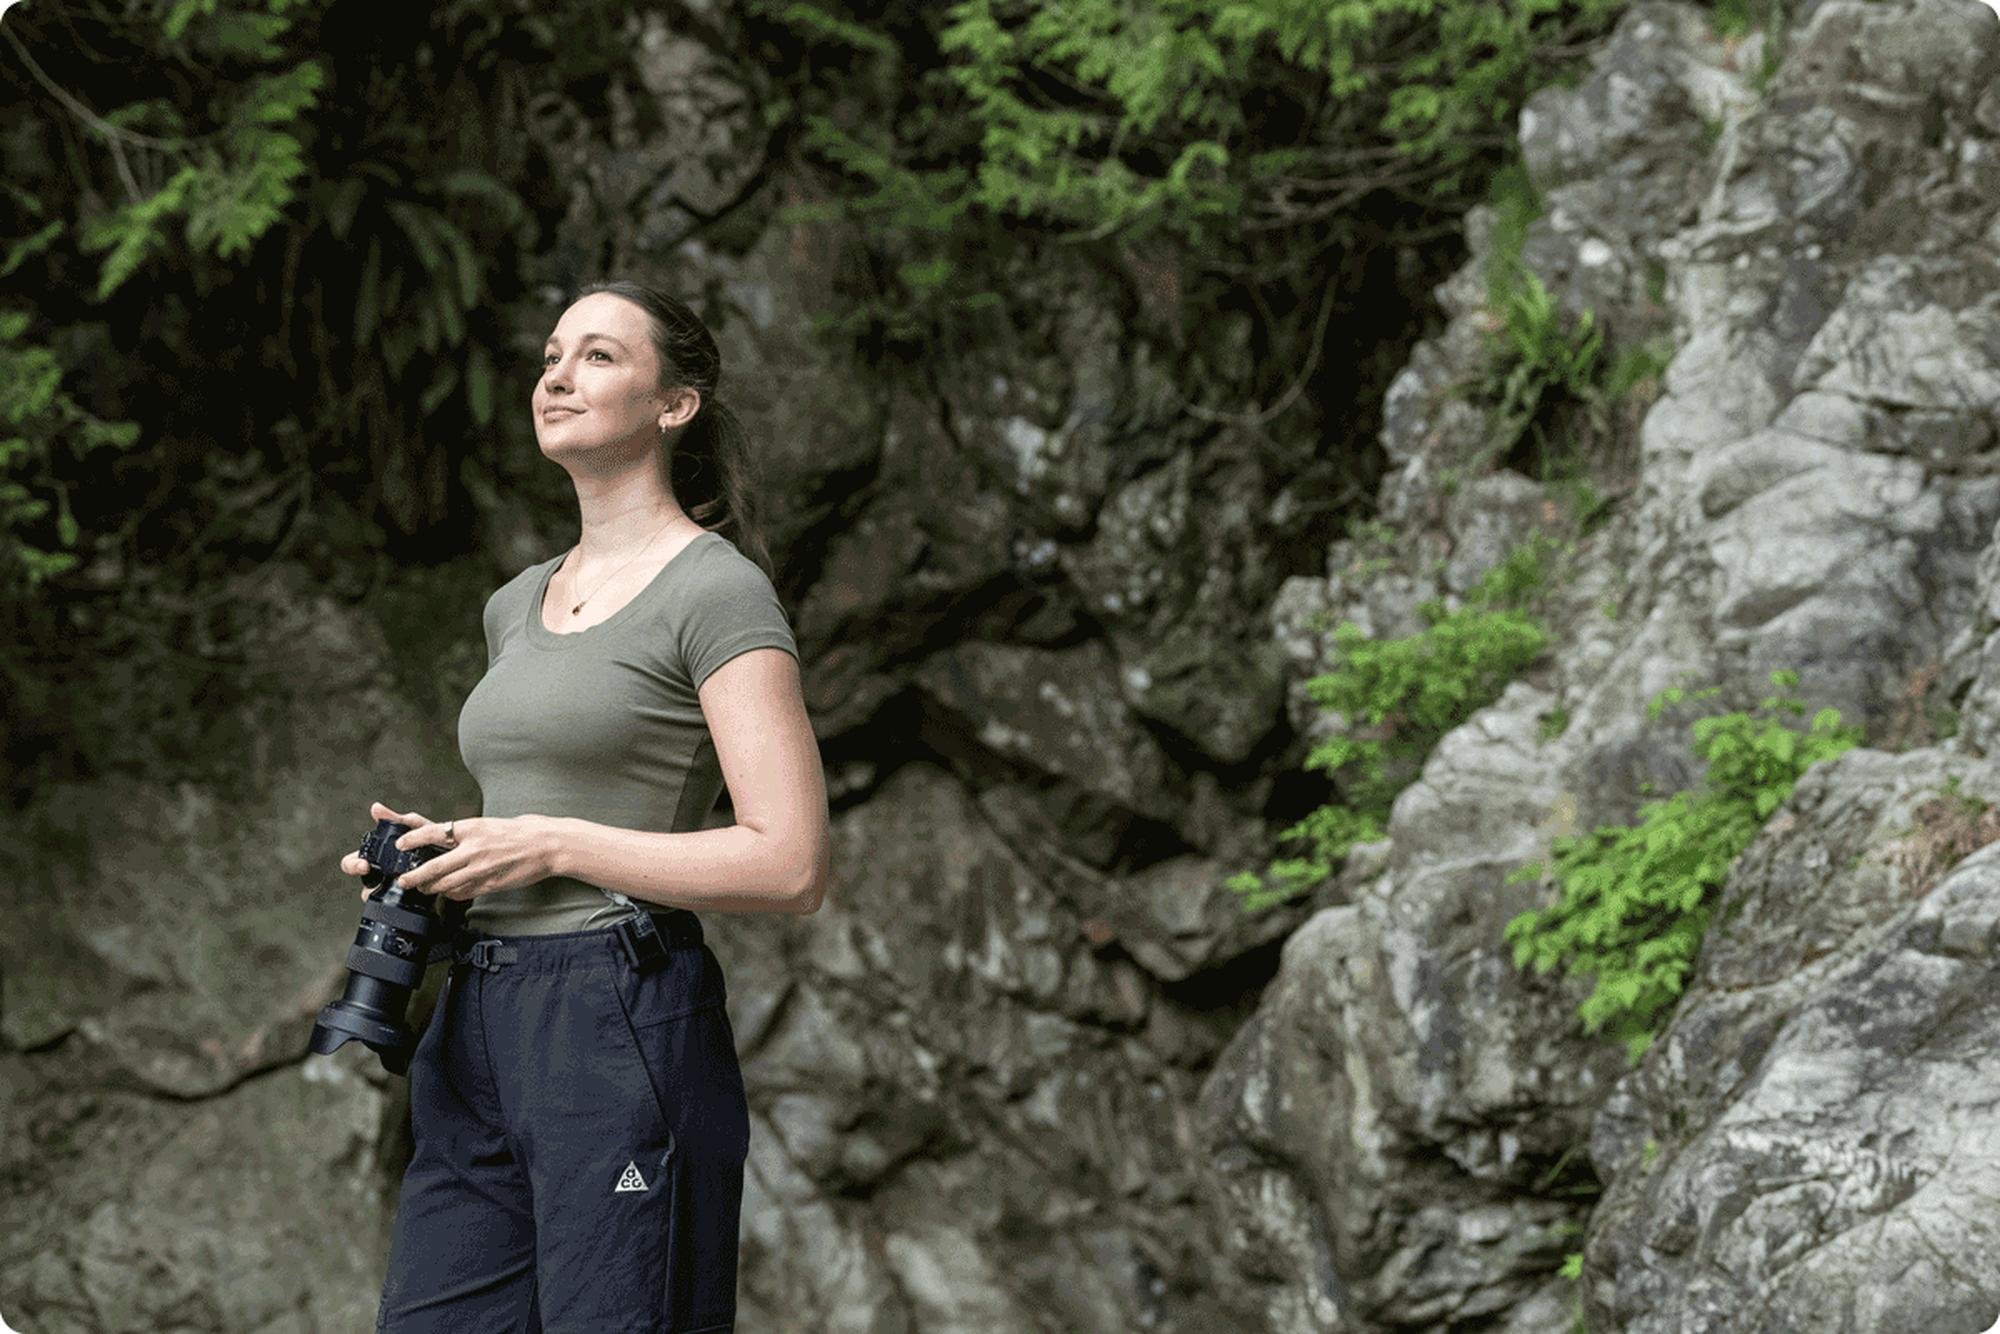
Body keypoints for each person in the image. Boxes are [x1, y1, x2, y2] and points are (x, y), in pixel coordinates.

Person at [340, 280, 831, 1333]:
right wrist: (441, 861)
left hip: (617, 1010)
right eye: (552, 354)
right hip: (478, 1011)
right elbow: (531, 806)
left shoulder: (716, 589)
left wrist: (553, 842)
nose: (557, 375)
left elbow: (789, 861)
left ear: (675, 403)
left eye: (599, 356)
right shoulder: (513, 602)